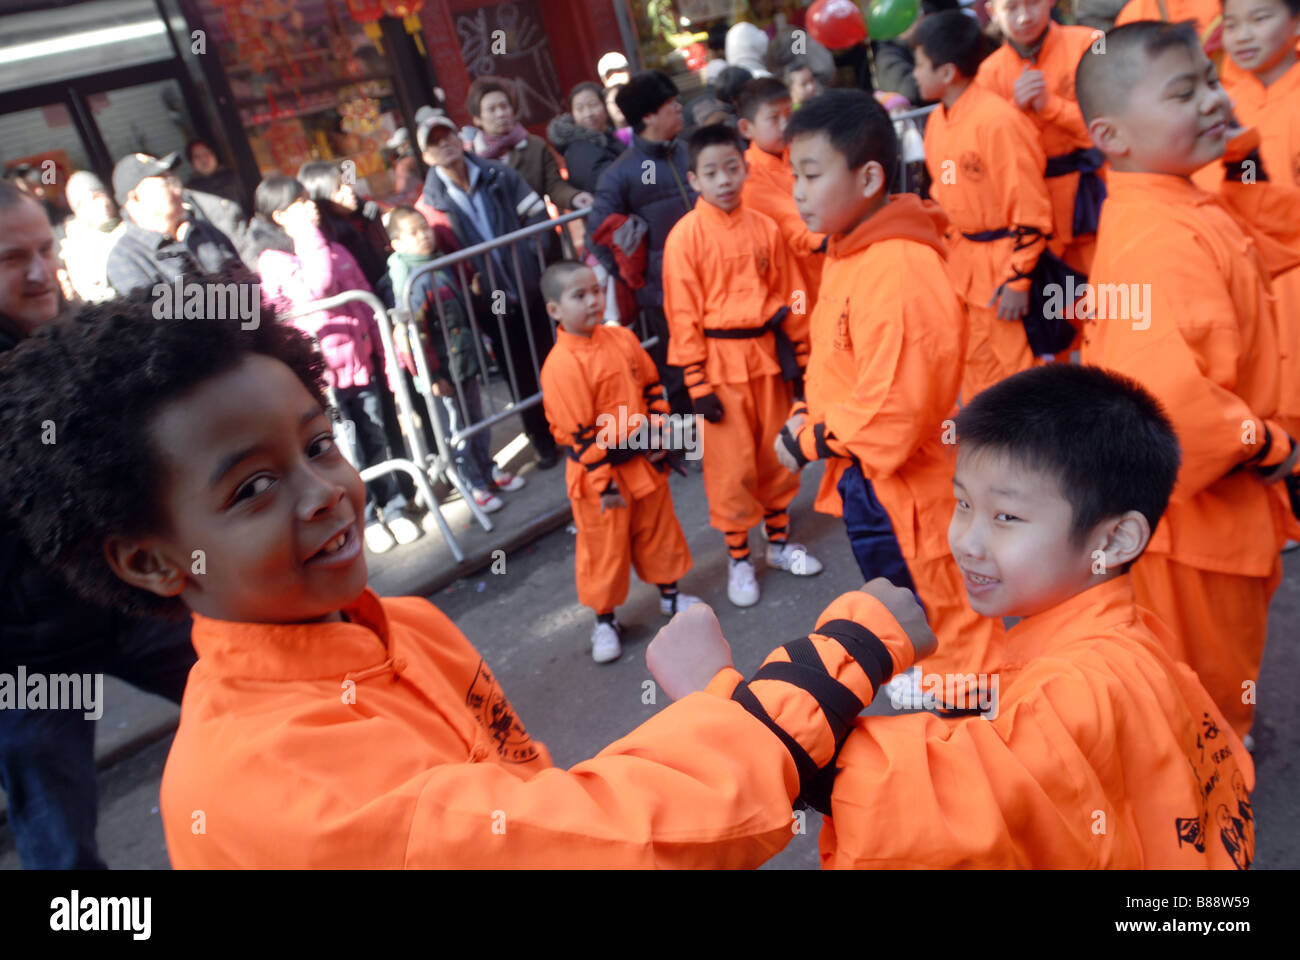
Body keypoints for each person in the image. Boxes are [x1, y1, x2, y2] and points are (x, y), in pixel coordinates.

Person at [0, 293, 935, 867]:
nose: (329, 492)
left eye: (321, 444)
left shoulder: (403, 626)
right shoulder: (273, 782)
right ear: (149, 559)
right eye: (251, 486)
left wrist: (710, 710)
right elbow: (589, 851)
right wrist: (835, 660)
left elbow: (539, 814)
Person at [784, 365, 1254, 868]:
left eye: (1005, 516)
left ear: (1115, 540)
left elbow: (948, 813)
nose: (965, 540)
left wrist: (837, 657)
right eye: (962, 502)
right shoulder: (1127, 633)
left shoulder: (1073, 689)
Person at [1075, 20, 1300, 740]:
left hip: (1212, 513)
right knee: (1203, 692)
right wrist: (1269, 446)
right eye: (1184, 92)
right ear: (1112, 135)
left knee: (1211, 669)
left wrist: (1234, 149)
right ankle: (1208, 793)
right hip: (1199, 518)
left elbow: (1280, 232)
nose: (1212, 100)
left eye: (1210, 81)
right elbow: (1168, 404)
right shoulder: (1158, 236)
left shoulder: (1175, 196)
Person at [776, 90, 1005, 683]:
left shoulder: (898, 265)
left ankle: (978, 743)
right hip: (870, 478)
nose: (797, 191)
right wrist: (807, 410)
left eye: (812, 174)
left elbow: (897, 411)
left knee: (950, 624)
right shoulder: (852, 249)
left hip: (908, 490)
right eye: (792, 175)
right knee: (915, 613)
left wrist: (807, 442)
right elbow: (840, 361)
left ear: (870, 176)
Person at [0, 181, 195, 869]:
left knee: (266, 698)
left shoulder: (76, 334)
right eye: (11, 258)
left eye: (45, 249)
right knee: (57, 838)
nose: (36, 272)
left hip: (125, 599)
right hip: (27, 651)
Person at [663, 124, 823, 608]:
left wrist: (804, 355)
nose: (724, 180)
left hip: (768, 358)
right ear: (694, 180)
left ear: (745, 168)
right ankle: (738, 559)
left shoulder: (766, 227)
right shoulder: (685, 238)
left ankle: (777, 545)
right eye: (711, 172)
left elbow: (791, 291)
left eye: (732, 168)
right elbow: (682, 313)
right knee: (730, 469)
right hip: (718, 366)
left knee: (778, 452)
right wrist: (695, 381)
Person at [539, 261, 700, 662]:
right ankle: (605, 620)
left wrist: (662, 436)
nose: (593, 300)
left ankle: (670, 595)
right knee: (604, 549)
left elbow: (650, 386)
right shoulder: (561, 364)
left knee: (658, 530)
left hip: (643, 459)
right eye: (579, 295)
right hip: (600, 474)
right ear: (554, 309)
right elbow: (579, 434)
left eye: (596, 290)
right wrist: (604, 484)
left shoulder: (622, 338)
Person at [250, 175, 420, 555]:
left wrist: (385, 354)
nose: (310, 206)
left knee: (376, 437)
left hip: (362, 366)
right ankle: (366, 519)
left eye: (309, 198)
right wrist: (308, 235)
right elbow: (319, 286)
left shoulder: (333, 246)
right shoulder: (274, 260)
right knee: (344, 452)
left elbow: (365, 302)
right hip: (322, 378)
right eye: (299, 203)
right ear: (279, 216)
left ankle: (393, 506)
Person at [913, 11, 1055, 401]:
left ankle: (1036, 457)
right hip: (964, 265)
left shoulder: (998, 122)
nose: (914, 74)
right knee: (974, 365)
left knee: (1019, 372)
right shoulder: (939, 123)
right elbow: (946, 189)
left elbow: (1030, 205)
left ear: (947, 73)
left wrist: (1018, 279)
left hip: (1001, 266)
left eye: (919, 65)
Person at [415, 112, 561, 469]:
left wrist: (532, 263)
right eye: (434, 142)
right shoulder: (428, 206)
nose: (444, 145)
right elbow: (437, 261)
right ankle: (542, 440)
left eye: (447, 135)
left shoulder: (499, 173)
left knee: (554, 363)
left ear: (460, 137)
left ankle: (570, 428)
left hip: (530, 288)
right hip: (488, 304)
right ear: (426, 156)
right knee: (518, 372)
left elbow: (537, 216)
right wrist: (471, 288)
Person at [1197, 0, 1300, 444]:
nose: (1243, 35)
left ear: (1296, 21)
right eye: (1233, 23)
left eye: (1260, 19)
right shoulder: (1219, 103)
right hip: (1234, 282)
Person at [386, 205, 523, 513]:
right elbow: (412, 335)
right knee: (456, 429)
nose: (424, 235)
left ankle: (488, 469)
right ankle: (472, 483)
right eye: (413, 232)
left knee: (478, 419)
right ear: (396, 243)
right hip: (441, 371)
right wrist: (433, 376)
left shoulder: (442, 264)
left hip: (465, 361)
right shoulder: (410, 282)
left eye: (425, 227)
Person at [588, 70, 695, 418]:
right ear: (647, 116)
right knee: (677, 368)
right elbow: (600, 234)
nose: (679, 108)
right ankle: (689, 444)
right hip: (663, 291)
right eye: (670, 104)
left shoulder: (689, 151)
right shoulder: (620, 174)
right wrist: (636, 279)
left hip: (711, 276)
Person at [976, 0, 1105, 275]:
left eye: (1033, 3)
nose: (1024, 17)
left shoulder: (1090, 42)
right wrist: (1014, 110)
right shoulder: (988, 74)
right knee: (1061, 308)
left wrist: (1050, 106)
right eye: (1011, 8)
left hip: (1096, 193)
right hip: (1035, 207)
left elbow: (1114, 126)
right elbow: (989, 154)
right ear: (992, 12)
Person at [737, 78, 826, 310]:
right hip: (791, 282)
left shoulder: (802, 150)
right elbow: (793, 223)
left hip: (824, 262)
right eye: (774, 118)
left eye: (789, 113)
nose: (786, 124)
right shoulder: (747, 173)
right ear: (746, 128)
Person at [105, 153, 242, 295]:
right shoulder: (125, 258)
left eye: (174, 180)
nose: (178, 190)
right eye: (166, 183)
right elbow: (155, 313)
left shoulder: (203, 229)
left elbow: (242, 280)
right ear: (134, 198)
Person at [466, 76, 588, 211]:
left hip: (538, 227)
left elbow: (554, 186)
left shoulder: (535, 146)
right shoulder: (471, 157)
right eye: (492, 109)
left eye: (504, 106)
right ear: (477, 119)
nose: (500, 114)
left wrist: (574, 197)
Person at [297, 160, 392, 294]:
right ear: (320, 198)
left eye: (346, 183)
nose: (349, 190)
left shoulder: (367, 214)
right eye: (338, 188)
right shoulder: (326, 244)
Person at [546, 81, 626, 195]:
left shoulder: (611, 136)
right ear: (572, 115)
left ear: (605, 106)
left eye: (592, 105)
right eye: (580, 109)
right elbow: (612, 184)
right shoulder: (579, 149)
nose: (588, 114)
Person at [59, 171, 125, 303]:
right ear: (78, 211)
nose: (102, 204)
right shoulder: (78, 249)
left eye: (101, 195)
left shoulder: (132, 224)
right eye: (92, 200)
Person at [185, 139, 246, 212]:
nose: (203, 159)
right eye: (197, 156)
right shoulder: (191, 191)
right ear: (192, 162)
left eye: (206, 153)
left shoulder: (232, 177)